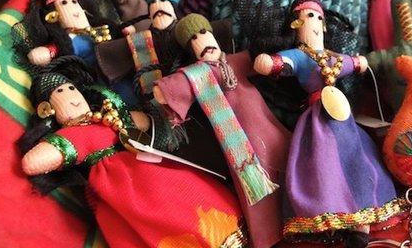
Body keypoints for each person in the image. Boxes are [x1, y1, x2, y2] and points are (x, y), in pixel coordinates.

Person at [19, 72, 246, 248]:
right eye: (60, 93)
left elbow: (140, 122)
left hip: (146, 164)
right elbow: (34, 162)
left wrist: (136, 120)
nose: (71, 96)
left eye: (72, 88)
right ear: (47, 109)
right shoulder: (73, 135)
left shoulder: (108, 116)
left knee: (185, 194)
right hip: (120, 185)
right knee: (155, 216)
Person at [253, 0, 402, 248]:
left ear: (324, 25)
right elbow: (284, 63)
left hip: (343, 117)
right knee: (323, 165)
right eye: (308, 17)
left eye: (318, 18)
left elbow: (349, 64)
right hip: (317, 118)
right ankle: (328, 217)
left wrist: (358, 62)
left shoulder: (333, 57)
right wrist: (273, 63)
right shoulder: (300, 55)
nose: (314, 22)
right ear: (296, 24)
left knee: (358, 160)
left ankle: (361, 223)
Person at [152, 13, 290, 248]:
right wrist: (164, 91)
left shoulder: (236, 60)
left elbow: (259, 61)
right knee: (258, 186)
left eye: (203, 33)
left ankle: (301, 212)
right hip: (242, 145)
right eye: (193, 39)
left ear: (213, 34)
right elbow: (170, 88)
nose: (201, 41)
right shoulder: (197, 74)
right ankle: (270, 235)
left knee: (287, 159)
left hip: (269, 126)